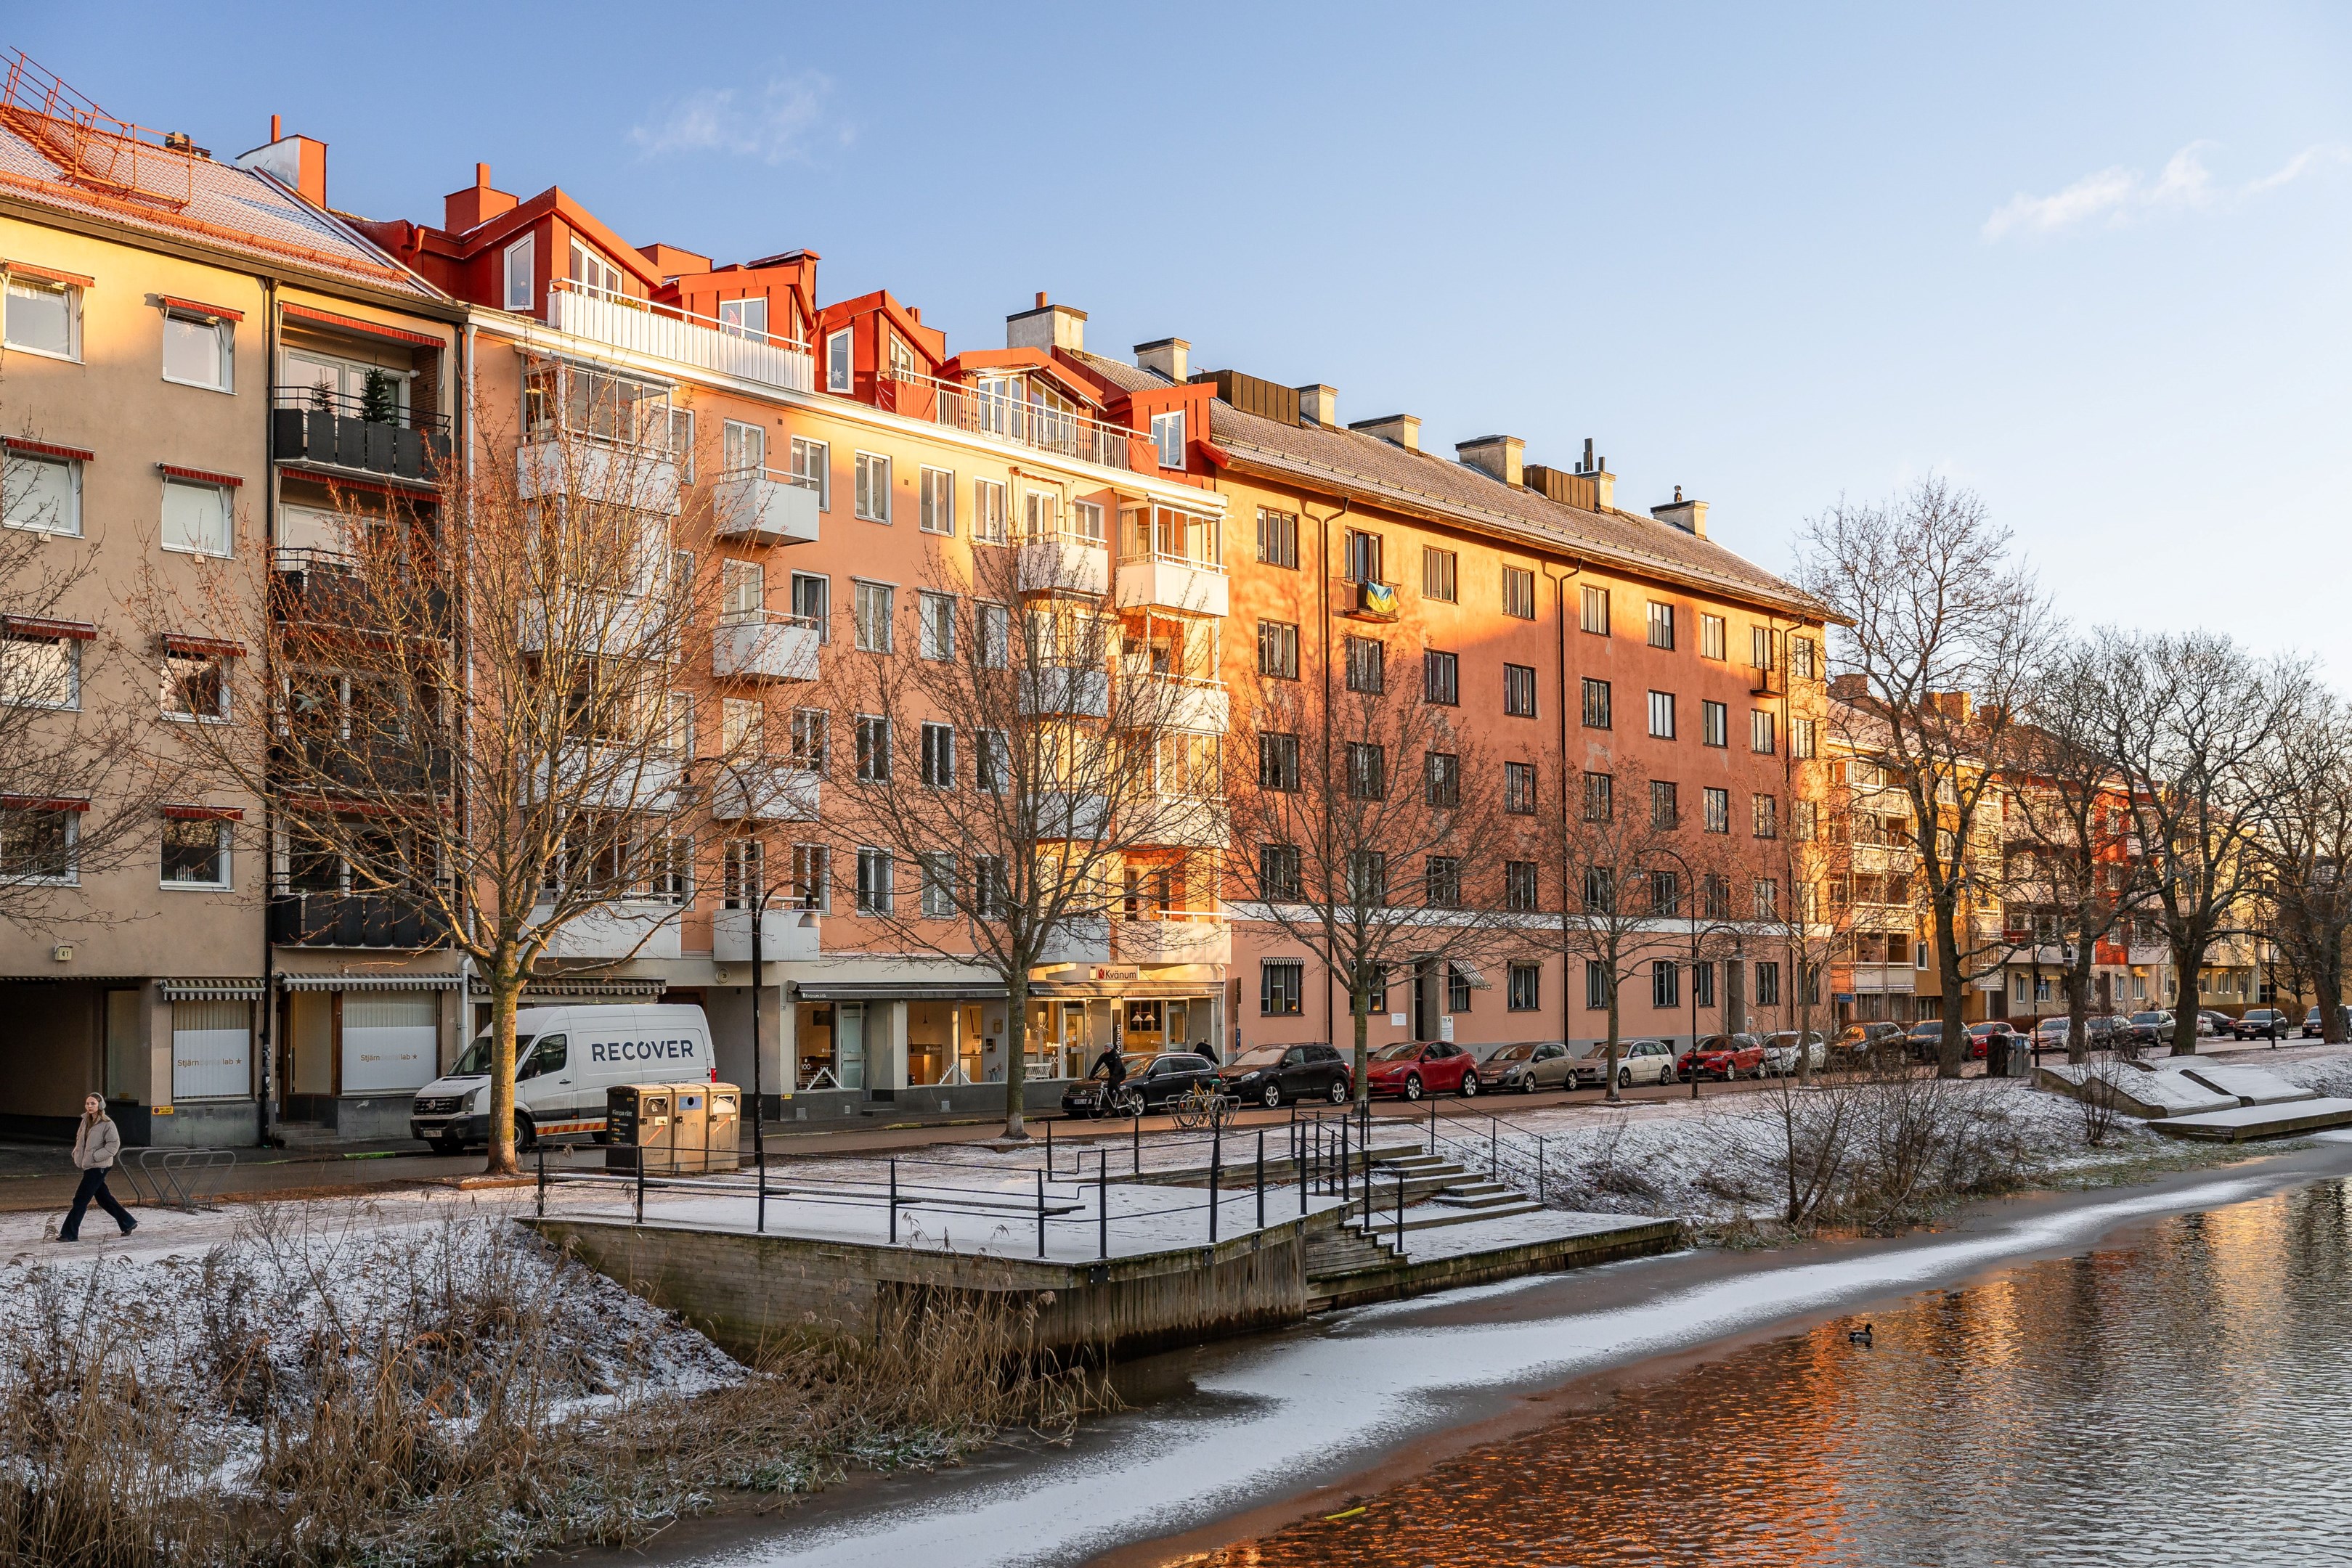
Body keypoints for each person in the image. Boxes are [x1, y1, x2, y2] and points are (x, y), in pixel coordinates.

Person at [61, 1093, 136, 1241]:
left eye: (93, 1103)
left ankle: (69, 1234)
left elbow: (113, 1145)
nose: (89, 1106)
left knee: (80, 1199)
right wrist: (77, 1153)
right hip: (89, 1165)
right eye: (88, 1103)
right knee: (104, 1198)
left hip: (99, 1166)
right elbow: (80, 1141)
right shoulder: (85, 1121)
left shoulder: (107, 1123)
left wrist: (96, 1156)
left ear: (100, 1105)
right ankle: (128, 1222)